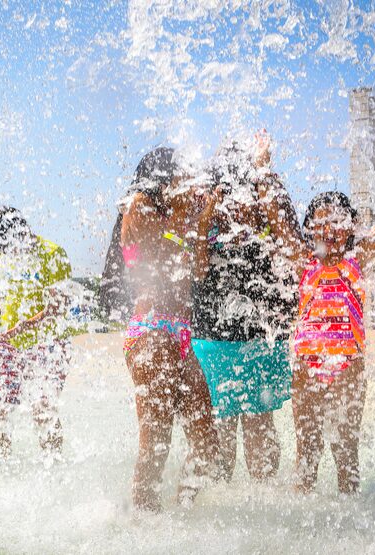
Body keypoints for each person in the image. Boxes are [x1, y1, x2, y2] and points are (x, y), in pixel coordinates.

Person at [287, 134, 375, 494]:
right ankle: (303, 535)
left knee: (346, 454)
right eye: (320, 222)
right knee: (307, 454)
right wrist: (262, 169)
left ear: (351, 226)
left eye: (338, 221)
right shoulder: (304, 263)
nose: (329, 229)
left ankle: (350, 530)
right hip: (306, 365)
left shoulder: (356, 259)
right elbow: (274, 223)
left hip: (348, 366)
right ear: (309, 229)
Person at [191, 133, 301, 481]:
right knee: (221, 426)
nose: (235, 206)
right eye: (227, 192)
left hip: (263, 337)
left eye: (244, 193)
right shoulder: (207, 219)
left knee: (259, 420)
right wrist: (208, 214)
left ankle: (263, 499)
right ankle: (221, 500)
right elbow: (196, 269)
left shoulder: (270, 208)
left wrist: (264, 170)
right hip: (213, 336)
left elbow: (289, 242)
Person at [120, 147, 220, 511]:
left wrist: (203, 220)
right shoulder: (138, 210)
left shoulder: (180, 218)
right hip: (150, 331)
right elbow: (147, 256)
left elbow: (198, 271)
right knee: (156, 441)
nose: (191, 184)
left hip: (179, 335)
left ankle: (181, 514)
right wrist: (189, 214)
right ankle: (144, 526)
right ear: (163, 181)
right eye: (183, 176)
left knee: (207, 441)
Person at [0, 206, 75, 463]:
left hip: (49, 343)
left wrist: (24, 325)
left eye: (7, 245)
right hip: (9, 345)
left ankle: (53, 464)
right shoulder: (2, 256)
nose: (6, 251)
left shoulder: (52, 253)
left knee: (42, 409)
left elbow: (59, 306)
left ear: (19, 230)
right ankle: (2, 467)